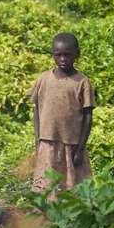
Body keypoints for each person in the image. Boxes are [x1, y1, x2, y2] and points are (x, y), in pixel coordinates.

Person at [29, 33, 95, 195]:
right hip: (47, 144)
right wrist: (38, 140)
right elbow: (37, 109)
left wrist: (80, 149)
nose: (63, 59)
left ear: (77, 54)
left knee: (74, 187)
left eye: (68, 55)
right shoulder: (44, 79)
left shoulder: (82, 82)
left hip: (72, 145)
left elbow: (88, 116)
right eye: (58, 55)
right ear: (53, 55)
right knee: (46, 187)